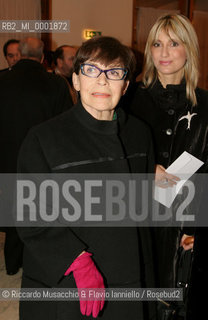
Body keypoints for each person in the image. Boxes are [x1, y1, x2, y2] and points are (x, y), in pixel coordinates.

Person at [17, 36, 156, 320]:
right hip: (67, 281)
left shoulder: (140, 134)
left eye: (114, 72)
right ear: (76, 81)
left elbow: (147, 210)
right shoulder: (44, 137)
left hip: (126, 276)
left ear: (126, 85)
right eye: (92, 70)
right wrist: (76, 260)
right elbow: (28, 213)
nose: (103, 81)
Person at [129, 13, 208, 319]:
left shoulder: (205, 106)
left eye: (174, 43)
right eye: (157, 44)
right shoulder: (129, 97)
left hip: (185, 227)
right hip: (137, 221)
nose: (163, 53)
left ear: (189, 49)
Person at [0, 37, 73, 275]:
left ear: (19, 55)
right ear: (43, 58)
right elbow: (64, 127)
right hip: (42, 159)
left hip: (6, 158)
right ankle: (37, 266)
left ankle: (11, 265)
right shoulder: (56, 84)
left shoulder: (1, 80)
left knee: (11, 211)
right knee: (39, 214)